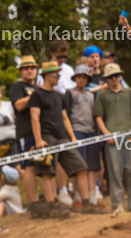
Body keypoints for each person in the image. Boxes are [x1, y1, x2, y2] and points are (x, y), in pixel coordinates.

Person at [30, 62, 99, 215]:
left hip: (62, 137)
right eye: (56, 74)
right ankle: (52, 206)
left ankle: (87, 204)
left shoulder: (58, 95)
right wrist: (38, 140)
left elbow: (65, 118)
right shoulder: (37, 95)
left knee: (81, 167)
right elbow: (34, 118)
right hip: (47, 137)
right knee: (47, 171)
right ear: (47, 75)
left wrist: (72, 137)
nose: (59, 77)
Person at [67, 65, 104, 207]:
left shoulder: (91, 95)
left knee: (92, 167)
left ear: (87, 79)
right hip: (77, 130)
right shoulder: (70, 93)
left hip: (91, 131)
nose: (81, 80)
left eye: (84, 77)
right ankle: (78, 197)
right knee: (79, 166)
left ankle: (93, 198)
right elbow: (67, 114)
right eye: (79, 77)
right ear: (75, 78)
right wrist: (70, 134)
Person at [9, 56, 42, 209]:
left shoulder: (39, 87)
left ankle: (45, 200)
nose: (30, 71)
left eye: (32, 68)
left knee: (43, 165)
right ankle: (34, 203)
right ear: (21, 70)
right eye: (26, 68)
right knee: (28, 166)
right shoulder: (17, 86)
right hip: (25, 132)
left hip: (41, 132)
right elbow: (19, 105)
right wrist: (36, 96)